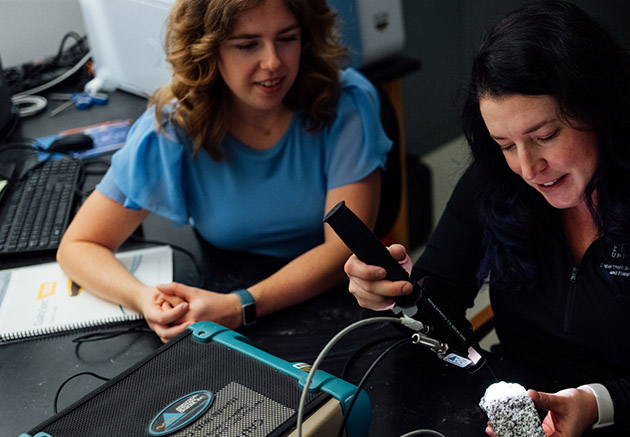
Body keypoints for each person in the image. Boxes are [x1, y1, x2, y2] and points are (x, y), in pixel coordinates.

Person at [344, 1, 630, 437]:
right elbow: (443, 295)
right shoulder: (499, 177)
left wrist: (594, 405)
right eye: (505, 144)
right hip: (522, 423)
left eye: (546, 136)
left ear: (603, 105)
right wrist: (401, 295)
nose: (529, 169)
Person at [57, 0, 391, 342]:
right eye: (247, 45)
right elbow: (79, 246)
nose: (273, 62)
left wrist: (240, 306)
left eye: (287, 38)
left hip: (339, 307)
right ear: (207, 49)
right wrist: (144, 298)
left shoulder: (346, 102)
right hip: (224, 301)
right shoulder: (175, 126)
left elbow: (344, 252)